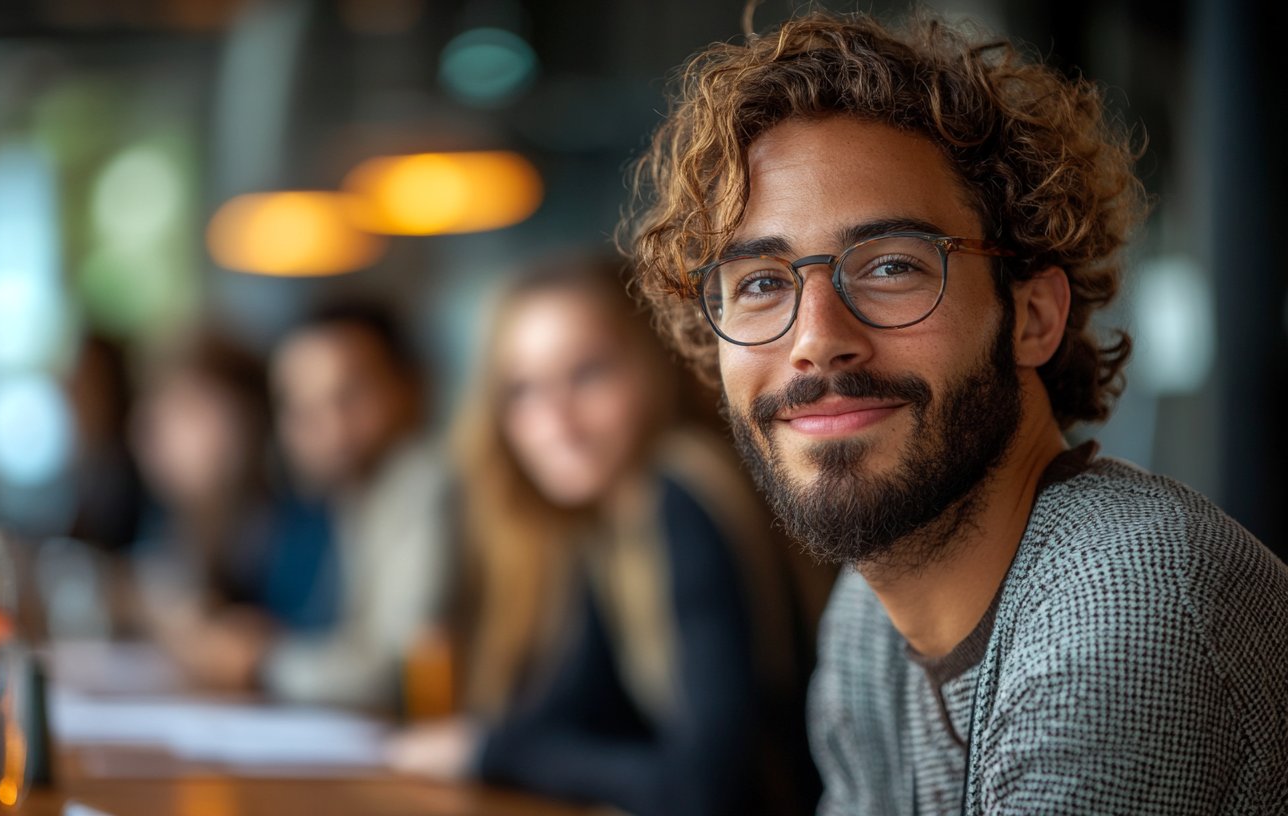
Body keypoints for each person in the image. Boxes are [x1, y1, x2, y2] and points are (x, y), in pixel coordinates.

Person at [622, 10, 1288, 815]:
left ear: (1033, 316)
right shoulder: (869, 620)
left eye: (893, 266)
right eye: (761, 283)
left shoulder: (1126, 605)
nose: (817, 341)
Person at [388, 258, 818, 815]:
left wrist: (491, 749)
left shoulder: (682, 492)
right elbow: (574, 707)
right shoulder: (617, 511)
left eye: (587, 374)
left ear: (655, 365)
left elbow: (707, 789)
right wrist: (487, 745)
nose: (555, 419)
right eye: (523, 390)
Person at [255, 303, 451, 712]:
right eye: (302, 406)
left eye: (350, 396)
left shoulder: (426, 486)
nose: (329, 426)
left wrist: (262, 661)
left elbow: (393, 673)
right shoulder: (351, 499)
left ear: (410, 388)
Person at [128, 329, 280, 687]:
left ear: (250, 420)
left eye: (189, 411)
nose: (159, 435)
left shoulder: (294, 526)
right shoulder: (180, 520)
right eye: (156, 414)